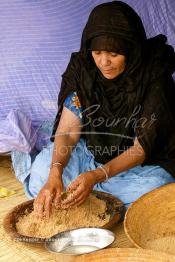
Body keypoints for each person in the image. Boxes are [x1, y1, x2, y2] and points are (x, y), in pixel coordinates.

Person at [12, 1, 175, 218]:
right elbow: (69, 132)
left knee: (156, 189)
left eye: (114, 54)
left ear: (131, 50)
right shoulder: (83, 70)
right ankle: (98, 198)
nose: (104, 62)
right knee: (43, 171)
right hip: (91, 154)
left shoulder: (153, 74)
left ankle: (89, 195)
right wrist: (56, 173)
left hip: (139, 164)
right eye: (97, 52)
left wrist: (97, 176)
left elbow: (142, 148)